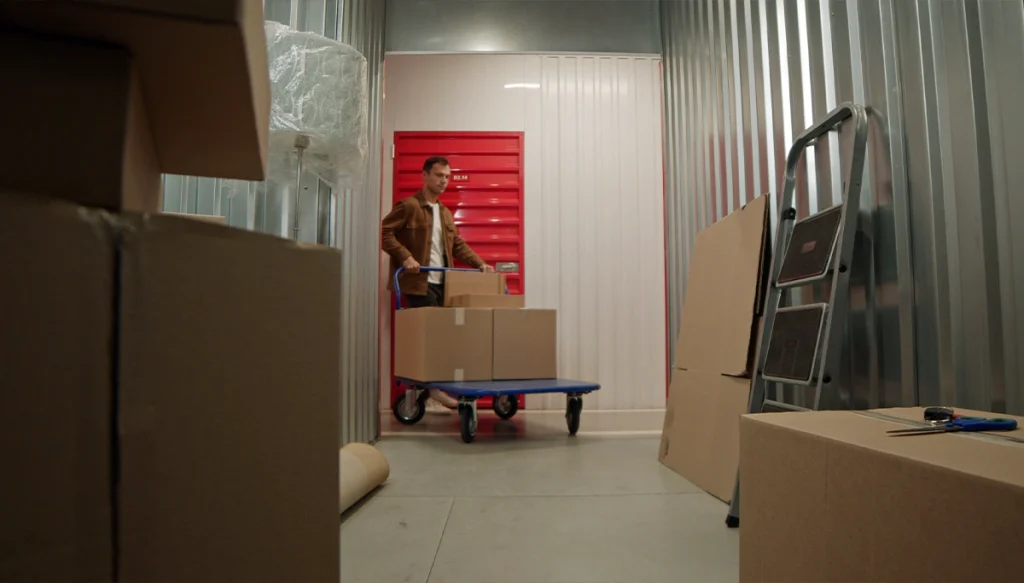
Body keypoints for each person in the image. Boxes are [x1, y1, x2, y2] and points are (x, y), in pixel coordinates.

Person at [381, 155, 494, 411]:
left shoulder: (445, 213)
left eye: (447, 176)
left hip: (443, 283)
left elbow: (457, 245)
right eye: (439, 175)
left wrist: (480, 263)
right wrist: (405, 256)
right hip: (418, 283)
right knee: (433, 336)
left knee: (442, 337)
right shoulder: (408, 206)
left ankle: (433, 389)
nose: (444, 181)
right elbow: (385, 232)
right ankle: (432, 391)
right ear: (424, 176)